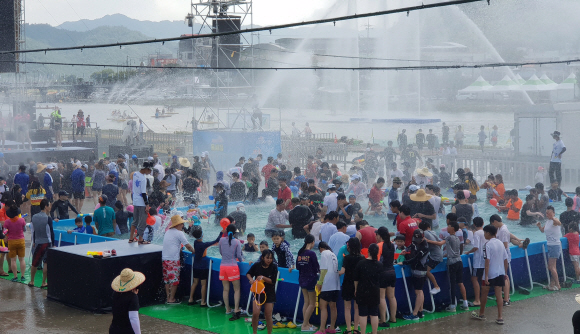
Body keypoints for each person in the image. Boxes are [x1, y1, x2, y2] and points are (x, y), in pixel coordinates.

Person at [470, 224, 508, 325]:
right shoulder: (500, 243)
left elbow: (487, 260)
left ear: (487, 233)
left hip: (490, 273)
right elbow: (506, 259)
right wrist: (505, 272)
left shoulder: (487, 245)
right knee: (499, 295)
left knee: (484, 293)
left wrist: (486, 276)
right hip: (500, 272)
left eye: (484, 233)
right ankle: (500, 317)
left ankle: (481, 314)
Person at [162, 215, 194, 304]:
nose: (183, 226)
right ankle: (171, 299)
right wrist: (195, 251)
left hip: (165, 259)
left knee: (167, 280)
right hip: (173, 260)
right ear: (177, 225)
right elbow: (188, 246)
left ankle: (168, 297)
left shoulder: (168, 232)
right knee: (174, 280)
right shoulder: (179, 233)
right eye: (181, 224)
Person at [399, 229, 429, 320]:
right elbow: (411, 246)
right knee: (420, 291)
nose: (417, 241)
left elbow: (416, 259)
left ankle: (414, 314)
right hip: (415, 270)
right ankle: (420, 311)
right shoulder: (415, 242)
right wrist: (406, 250)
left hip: (420, 271)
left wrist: (404, 262)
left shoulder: (425, 247)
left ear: (423, 237)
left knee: (418, 292)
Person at [353, 242, 382, 334]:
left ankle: (363, 332)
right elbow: (380, 279)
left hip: (362, 291)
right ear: (377, 253)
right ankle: (374, 332)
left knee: (363, 314)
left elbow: (356, 279)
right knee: (374, 314)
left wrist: (356, 289)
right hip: (375, 291)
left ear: (368, 252)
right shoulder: (379, 265)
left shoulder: (361, 263)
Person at [247, 249, 279, 334]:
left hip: (269, 293)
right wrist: (251, 280)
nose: (269, 260)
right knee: (255, 313)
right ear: (262, 257)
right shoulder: (257, 265)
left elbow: (273, 281)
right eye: (267, 258)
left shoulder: (274, 267)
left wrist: (263, 277)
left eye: (271, 258)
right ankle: (254, 332)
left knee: (268, 315)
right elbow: (248, 273)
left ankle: (269, 333)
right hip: (258, 293)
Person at [189, 226, 222, 306]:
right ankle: (203, 302)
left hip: (195, 266)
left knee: (195, 282)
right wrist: (221, 232)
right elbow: (216, 241)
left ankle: (190, 299)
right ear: (202, 235)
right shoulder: (203, 245)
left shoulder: (195, 243)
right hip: (202, 267)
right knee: (203, 284)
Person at [109, 268, 146, 334]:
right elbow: (133, 318)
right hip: (127, 330)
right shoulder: (132, 297)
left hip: (114, 329)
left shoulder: (115, 294)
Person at [219, 224, 244, 320]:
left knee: (225, 289)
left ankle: (227, 309)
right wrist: (242, 261)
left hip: (223, 267)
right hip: (233, 267)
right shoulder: (237, 242)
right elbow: (239, 255)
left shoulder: (221, 240)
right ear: (235, 232)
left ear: (226, 231)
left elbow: (221, 252)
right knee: (236, 289)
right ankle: (236, 308)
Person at [296, 235, 319, 332]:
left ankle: (307, 323)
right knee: (312, 304)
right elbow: (316, 268)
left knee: (306, 302)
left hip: (302, 280)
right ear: (312, 242)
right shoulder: (312, 254)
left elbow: (298, 267)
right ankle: (305, 325)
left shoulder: (300, 253)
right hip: (310, 280)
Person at [375, 227, 397, 327]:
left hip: (383, 273)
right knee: (392, 296)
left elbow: (377, 261)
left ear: (379, 235)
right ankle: (393, 318)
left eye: (376, 235)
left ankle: (383, 320)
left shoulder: (379, 245)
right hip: (392, 272)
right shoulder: (392, 245)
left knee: (381, 297)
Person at [445, 221, 469, 312]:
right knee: (460, 282)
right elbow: (455, 250)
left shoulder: (448, 238)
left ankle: (452, 306)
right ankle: (465, 303)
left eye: (448, 226)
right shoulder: (457, 238)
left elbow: (440, 244)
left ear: (452, 228)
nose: (447, 227)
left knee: (452, 284)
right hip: (459, 261)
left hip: (452, 263)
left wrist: (427, 240)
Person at [316, 241, 340, 334]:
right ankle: (332, 328)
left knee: (323, 306)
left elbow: (323, 269)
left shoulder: (324, 253)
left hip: (327, 284)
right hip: (336, 284)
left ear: (321, 248)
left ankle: (322, 329)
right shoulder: (333, 254)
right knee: (333, 306)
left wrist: (320, 282)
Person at [537, 206, 562, 291]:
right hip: (550, 245)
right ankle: (552, 284)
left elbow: (559, 223)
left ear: (553, 213)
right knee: (552, 267)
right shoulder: (547, 222)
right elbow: (542, 231)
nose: (547, 214)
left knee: (551, 267)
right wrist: (539, 226)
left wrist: (553, 218)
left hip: (555, 245)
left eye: (549, 213)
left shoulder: (554, 221)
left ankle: (558, 285)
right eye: (546, 213)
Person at [30, 199, 52, 288]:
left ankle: (32, 281)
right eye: (49, 205)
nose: (50, 207)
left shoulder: (34, 217)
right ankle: (43, 282)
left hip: (38, 242)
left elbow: (34, 230)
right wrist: (53, 244)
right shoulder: (48, 218)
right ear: (46, 206)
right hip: (47, 242)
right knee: (46, 263)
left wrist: (34, 241)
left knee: (34, 263)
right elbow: (51, 233)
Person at [130, 162, 153, 244]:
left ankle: (131, 238)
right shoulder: (143, 179)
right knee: (142, 222)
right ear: (146, 169)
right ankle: (140, 239)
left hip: (135, 201)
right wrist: (147, 204)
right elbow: (143, 193)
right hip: (142, 203)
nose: (150, 172)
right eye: (149, 170)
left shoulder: (135, 174)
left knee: (135, 221)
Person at [419, 221, 444, 295]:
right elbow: (439, 243)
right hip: (438, 254)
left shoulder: (425, 233)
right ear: (428, 227)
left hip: (435, 257)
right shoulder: (432, 232)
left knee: (426, 271)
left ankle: (436, 287)